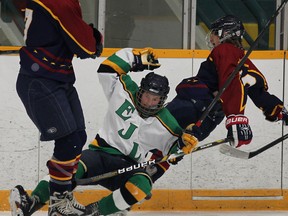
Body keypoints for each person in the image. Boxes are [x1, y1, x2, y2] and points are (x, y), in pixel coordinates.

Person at [10, 47, 200, 216]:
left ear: (162, 100)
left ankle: (94, 213)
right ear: (140, 91)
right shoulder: (124, 90)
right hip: (99, 154)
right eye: (147, 96)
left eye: (155, 99)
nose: (149, 102)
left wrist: (185, 143)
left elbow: (173, 153)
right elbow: (107, 68)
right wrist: (133, 57)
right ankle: (30, 203)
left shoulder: (167, 122)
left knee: (142, 185)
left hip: (129, 166)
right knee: (68, 169)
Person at [12, 0, 103, 215]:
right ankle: (59, 204)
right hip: (40, 79)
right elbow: (86, 47)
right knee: (68, 140)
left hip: (57, 77)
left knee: (78, 137)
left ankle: (59, 200)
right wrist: (94, 36)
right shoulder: (58, 2)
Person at [197, 14, 288, 148]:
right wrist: (278, 110)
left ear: (225, 33)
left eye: (215, 33)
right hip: (214, 109)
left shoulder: (224, 50)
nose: (211, 38)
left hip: (200, 102)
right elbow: (257, 90)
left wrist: (236, 120)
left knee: (184, 133)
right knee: (193, 136)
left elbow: (230, 82)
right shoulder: (241, 57)